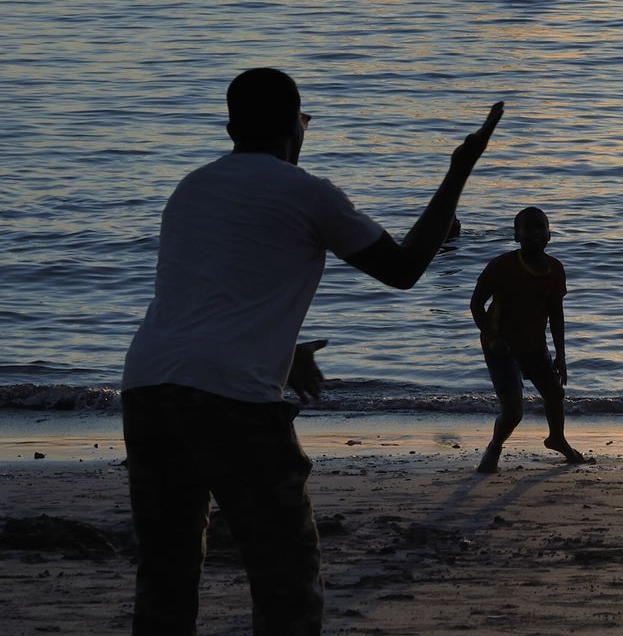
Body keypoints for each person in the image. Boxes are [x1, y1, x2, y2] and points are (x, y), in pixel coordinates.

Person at [120, 68, 503, 635]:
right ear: (293, 126)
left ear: (230, 127)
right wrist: (457, 173)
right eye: (304, 119)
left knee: (166, 577)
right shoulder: (306, 192)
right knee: (286, 581)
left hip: (148, 390)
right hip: (233, 404)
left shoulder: (191, 188)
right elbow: (402, 270)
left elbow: (209, 301)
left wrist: (286, 348)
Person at [472, 207, 589, 472]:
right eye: (528, 228)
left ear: (549, 234)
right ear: (517, 235)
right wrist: (491, 337)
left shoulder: (555, 269)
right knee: (513, 412)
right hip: (501, 347)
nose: (535, 233)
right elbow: (476, 304)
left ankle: (556, 438)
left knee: (555, 394)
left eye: (540, 227)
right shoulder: (501, 266)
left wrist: (561, 355)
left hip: (534, 345)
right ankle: (494, 447)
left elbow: (556, 315)